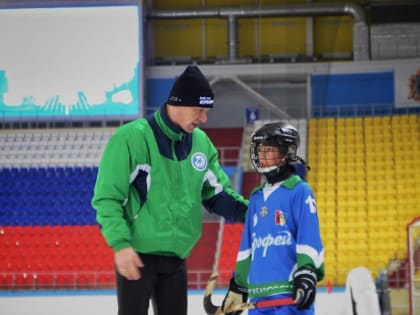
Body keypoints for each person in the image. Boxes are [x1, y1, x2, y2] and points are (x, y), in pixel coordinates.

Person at [91, 65, 248, 315]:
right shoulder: (131, 138)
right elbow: (107, 199)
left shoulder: (200, 143)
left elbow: (217, 194)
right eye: (200, 111)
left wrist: (252, 213)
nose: (204, 119)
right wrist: (120, 245)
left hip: (176, 260)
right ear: (179, 103)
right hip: (137, 258)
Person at [221, 121, 324, 315]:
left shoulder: (299, 191)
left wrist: (307, 272)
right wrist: (239, 286)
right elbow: (247, 246)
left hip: (290, 296)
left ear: (287, 153)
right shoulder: (256, 196)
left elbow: (309, 236)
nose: (263, 156)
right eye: (260, 150)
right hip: (259, 300)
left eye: (269, 150)